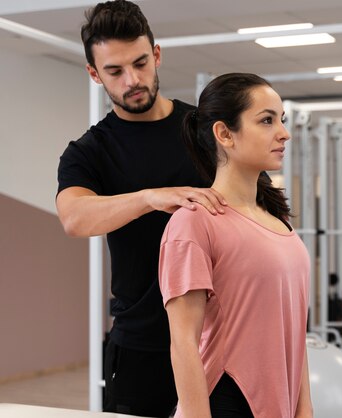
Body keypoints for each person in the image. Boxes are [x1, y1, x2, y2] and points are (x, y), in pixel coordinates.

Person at [56, 1, 226, 416]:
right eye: (115, 71)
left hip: (221, 336)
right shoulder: (89, 152)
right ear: (95, 75)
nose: (133, 79)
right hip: (141, 346)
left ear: (157, 55)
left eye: (141, 62)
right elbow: (75, 218)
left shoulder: (207, 131)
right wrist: (151, 197)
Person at [158, 73, 313, 418]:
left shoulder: (278, 220)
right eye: (267, 120)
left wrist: (304, 408)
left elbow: (293, 332)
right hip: (227, 403)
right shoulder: (194, 222)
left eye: (281, 120)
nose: (283, 133)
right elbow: (183, 343)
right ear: (225, 133)